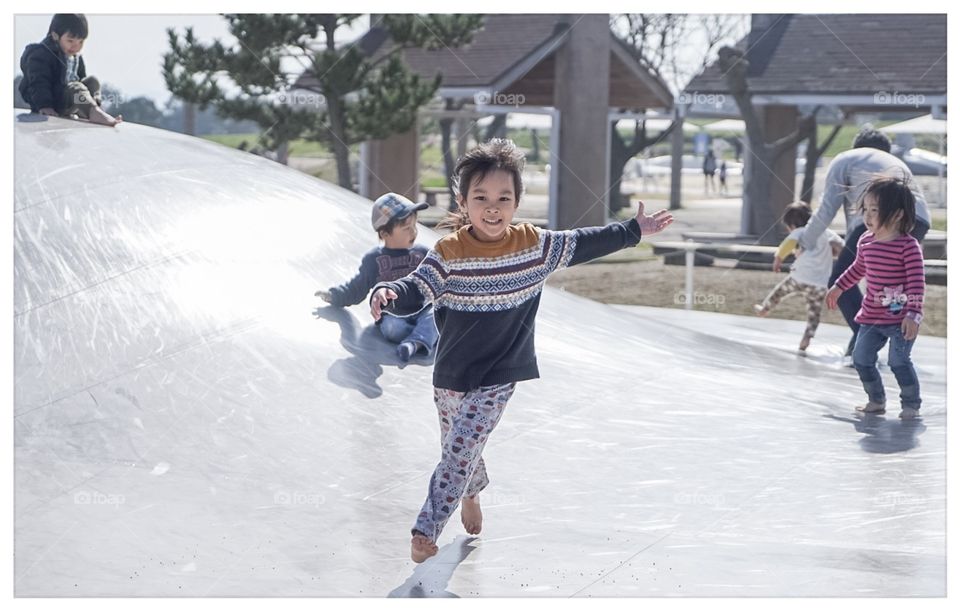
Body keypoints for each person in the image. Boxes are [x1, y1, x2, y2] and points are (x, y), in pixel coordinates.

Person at [368, 139, 674, 563]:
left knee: (460, 448)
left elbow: (583, 241)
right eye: (481, 198)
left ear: (516, 203)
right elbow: (416, 290)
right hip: (452, 372)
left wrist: (632, 230)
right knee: (458, 447)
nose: (492, 208)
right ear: (464, 201)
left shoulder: (534, 246)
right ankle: (471, 492)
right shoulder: (450, 251)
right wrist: (389, 291)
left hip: (499, 374)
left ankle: (427, 528)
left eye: (503, 198)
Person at [799, 126, 930, 357]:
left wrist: (805, 242)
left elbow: (827, 210)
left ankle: (866, 340)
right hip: (919, 218)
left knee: (842, 279)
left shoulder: (845, 159)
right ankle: (888, 336)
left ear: (855, 147)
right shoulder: (893, 160)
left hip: (885, 215)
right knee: (889, 284)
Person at [826, 176, 925, 420]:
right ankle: (876, 399)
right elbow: (858, 269)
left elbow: (916, 284)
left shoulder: (908, 247)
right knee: (860, 359)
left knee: (898, 361)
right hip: (871, 316)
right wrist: (839, 287)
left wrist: (913, 314)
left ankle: (911, 403)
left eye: (875, 210)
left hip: (901, 318)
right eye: (866, 210)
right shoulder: (866, 242)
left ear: (898, 215)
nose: (867, 217)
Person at [316, 193, 438, 362]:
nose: (414, 232)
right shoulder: (374, 259)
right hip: (392, 315)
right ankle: (424, 336)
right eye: (406, 228)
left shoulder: (423, 254)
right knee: (393, 328)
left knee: (437, 315)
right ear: (385, 233)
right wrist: (335, 296)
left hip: (422, 309)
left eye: (414, 225)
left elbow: (438, 278)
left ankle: (414, 344)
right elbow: (357, 287)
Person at [754, 202, 843, 354]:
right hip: (820, 284)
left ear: (793, 225)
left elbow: (788, 244)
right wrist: (834, 252)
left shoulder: (801, 231)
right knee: (814, 312)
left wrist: (778, 259)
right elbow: (841, 246)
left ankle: (765, 309)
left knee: (779, 292)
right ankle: (807, 338)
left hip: (799, 277)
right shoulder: (826, 232)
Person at [18, 14, 122, 127]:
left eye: (81, 42)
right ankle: (93, 112)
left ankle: (90, 110)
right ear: (55, 36)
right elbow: (39, 82)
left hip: (70, 98)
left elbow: (82, 81)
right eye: (70, 41)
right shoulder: (43, 54)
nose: (76, 46)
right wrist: (45, 106)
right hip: (53, 102)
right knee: (76, 88)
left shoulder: (76, 57)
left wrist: (89, 98)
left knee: (93, 81)